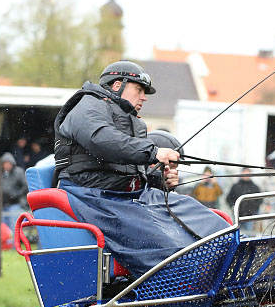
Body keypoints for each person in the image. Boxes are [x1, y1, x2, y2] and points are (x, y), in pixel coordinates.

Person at [52, 60, 228, 277]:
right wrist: (154, 152)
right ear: (117, 85)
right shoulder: (88, 105)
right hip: (94, 197)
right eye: (139, 89)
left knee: (204, 217)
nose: (144, 97)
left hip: (132, 196)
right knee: (168, 246)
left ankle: (229, 258)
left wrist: (161, 180)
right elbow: (101, 140)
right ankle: (184, 286)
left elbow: (131, 168)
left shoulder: (132, 121)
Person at [1, 152, 28, 237]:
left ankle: (14, 246)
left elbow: (25, 186)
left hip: (15, 204)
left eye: (9, 163)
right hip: (2, 205)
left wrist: (17, 194)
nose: (7, 165)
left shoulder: (19, 172)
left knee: (14, 227)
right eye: (5, 163)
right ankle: (6, 247)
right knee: (3, 228)